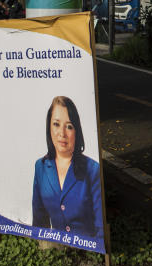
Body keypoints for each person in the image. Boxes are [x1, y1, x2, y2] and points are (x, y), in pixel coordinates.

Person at [32, 96, 102, 239]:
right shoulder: (41, 167)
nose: (62, 133)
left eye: (69, 126)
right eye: (56, 124)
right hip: (56, 251)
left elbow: (100, 227)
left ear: (77, 131)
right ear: (49, 127)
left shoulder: (92, 170)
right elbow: (39, 221)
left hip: (88, 253)